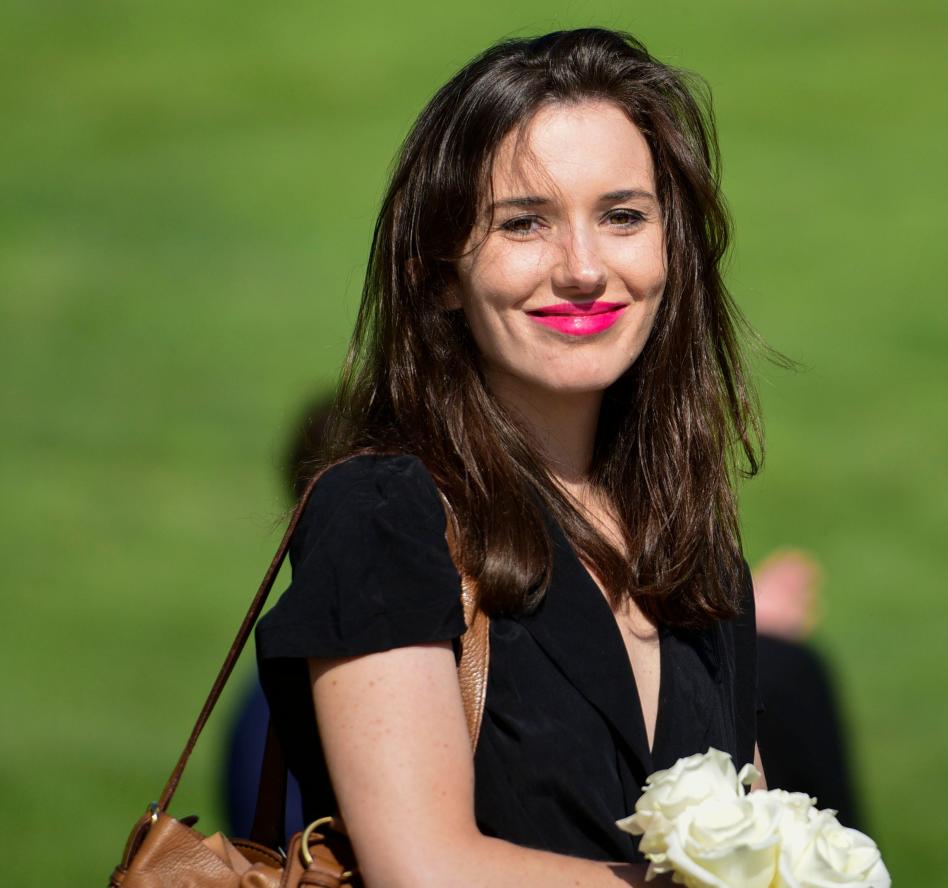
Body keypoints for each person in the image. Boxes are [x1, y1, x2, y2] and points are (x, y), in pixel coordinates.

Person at [256, 29, 767, 885]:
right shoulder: (384, 512)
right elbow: (424, 869)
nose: (582, 268)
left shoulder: (694, 547)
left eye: (622, 216)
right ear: (439, 274)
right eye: (523, 223)